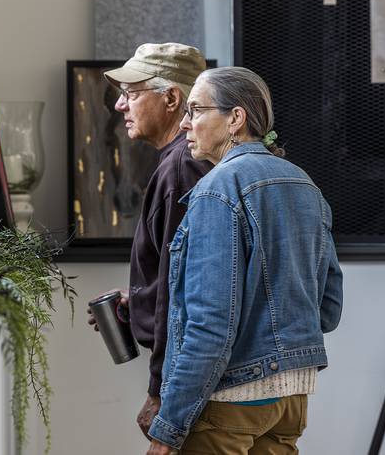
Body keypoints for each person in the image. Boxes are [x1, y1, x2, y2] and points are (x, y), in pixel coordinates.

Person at [146, 67, 343, 455]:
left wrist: (168, 426)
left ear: (236, 118)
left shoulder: (218, 189)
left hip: (228, 400)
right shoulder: (304, 184)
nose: (185, 123)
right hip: (290, 400)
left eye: (197, 110)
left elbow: (209, 324)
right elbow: (328, 309)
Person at [87, 42, 212, 438]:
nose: (121, 106)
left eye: (131, 94)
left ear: (172, 98)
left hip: (196, 385)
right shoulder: (184, 161)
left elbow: (190, 291)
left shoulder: (181, 167)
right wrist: (138, 298)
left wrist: (161, 394)